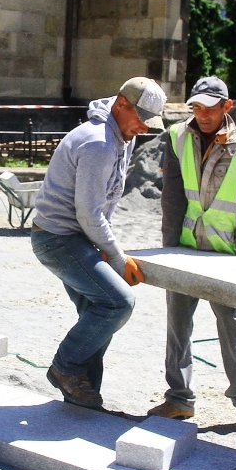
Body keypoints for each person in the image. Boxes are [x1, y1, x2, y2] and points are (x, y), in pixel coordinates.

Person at [31, 77, 167, 409]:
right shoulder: (98, 142)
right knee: (118, 303)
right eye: (141, 120)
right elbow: (89, 213)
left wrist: (105, 249)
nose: (145, 129)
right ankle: (65, 367)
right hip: (58, 239)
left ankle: (84, 398)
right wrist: (118, 259)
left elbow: (103, 203)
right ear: (121, 104)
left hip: (76, 237)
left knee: (96, 315)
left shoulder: (120, 136)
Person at [149, 77, 236, 433]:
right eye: (196, 107)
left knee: (231, 326)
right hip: (184, 246)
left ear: (226, 107)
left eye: (209, 108)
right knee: (178, 328)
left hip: (225, 252)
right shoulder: (177, 137)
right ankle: (179, 400)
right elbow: (171, 196)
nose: (201, 114)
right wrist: (170, 248)